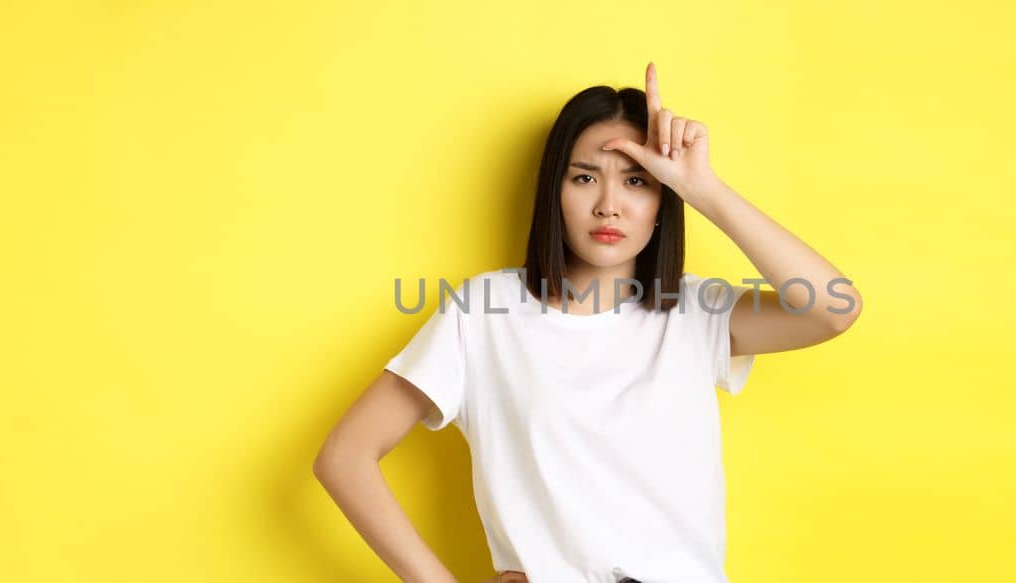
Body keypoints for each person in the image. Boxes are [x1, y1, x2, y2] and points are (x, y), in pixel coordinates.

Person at [313, 62, 863, 583]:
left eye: (637, 182)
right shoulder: (483, 312)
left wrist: (704, 189)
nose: (608, 205)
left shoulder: (694, 310)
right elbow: (345, 457)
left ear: (661, 199)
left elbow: (834, 308)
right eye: (583, 178)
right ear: (554, 190)